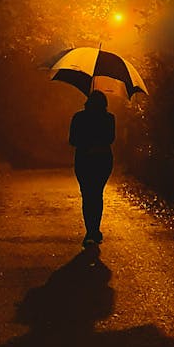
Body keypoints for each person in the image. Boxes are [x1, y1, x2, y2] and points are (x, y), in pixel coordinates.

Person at [69, 89, 115, 247]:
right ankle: (95, 229)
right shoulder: (109, 118)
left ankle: (91, 230)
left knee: (87, 195)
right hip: (103, 160)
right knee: (97, 194)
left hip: (84, 160)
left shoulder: (79, 117)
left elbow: (72, 140)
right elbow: (110, 139)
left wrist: (86, 140)